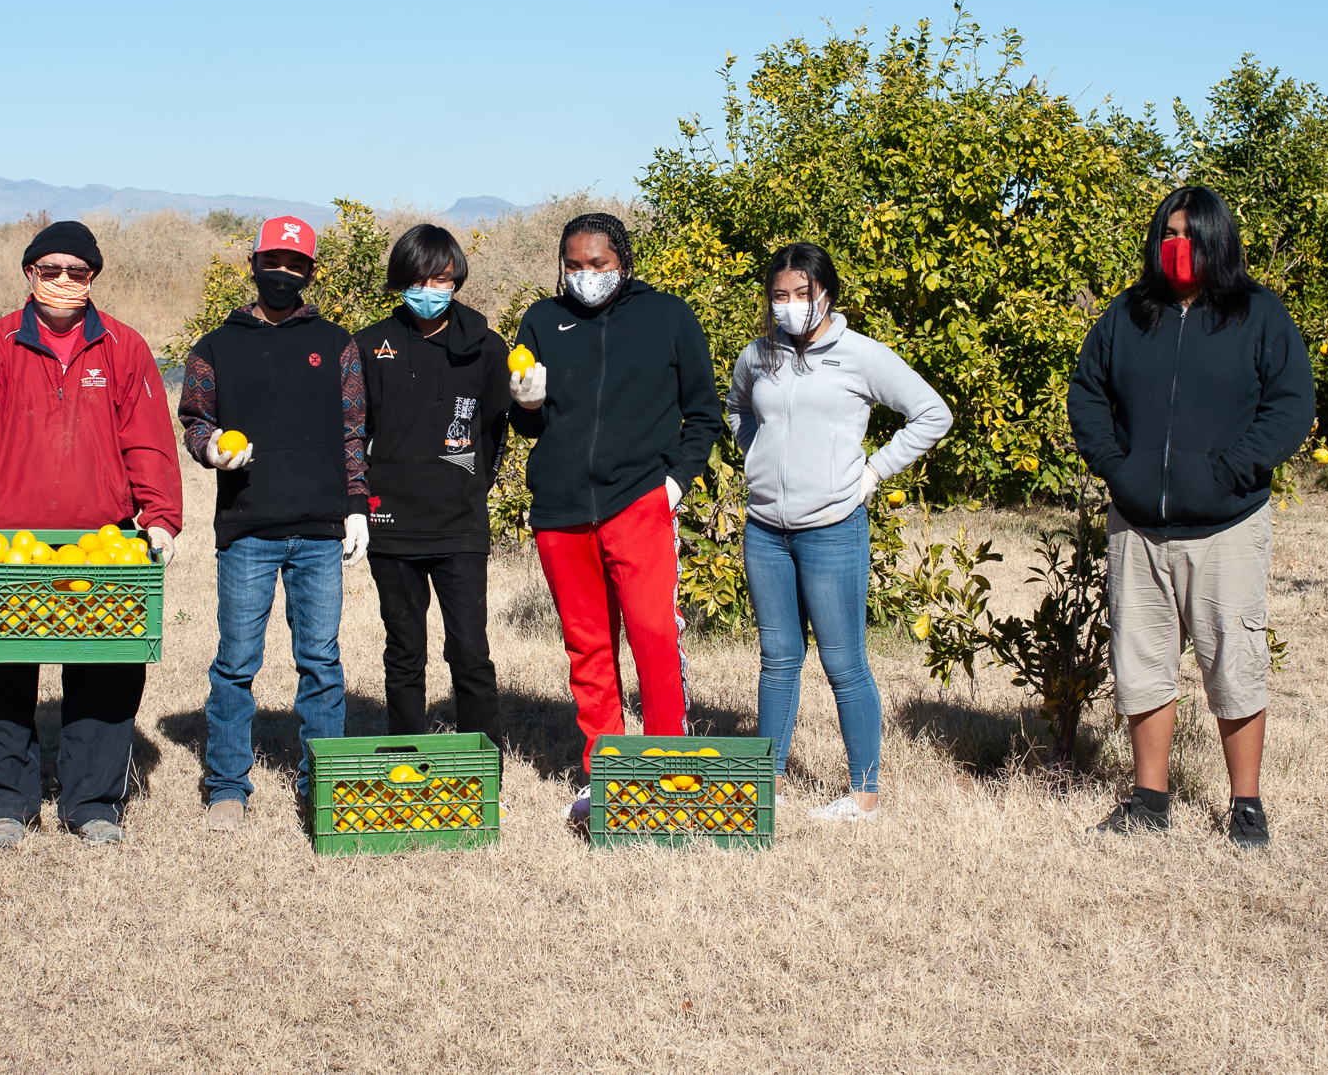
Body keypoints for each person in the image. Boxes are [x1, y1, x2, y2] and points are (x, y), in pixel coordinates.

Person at [1066, 185, 1314, 848]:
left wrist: (1231, 469)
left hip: (1227, 526)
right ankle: (1150, 799)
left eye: (1192, 235)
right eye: (1169, 234)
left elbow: (1290, 406)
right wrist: (1119, 468)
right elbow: (1088, 393)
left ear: (1218, 240)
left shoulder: (1258, 314)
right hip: (1138, 525)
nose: (1180, 246)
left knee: (1234, 662)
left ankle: (1247, 806)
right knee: (1142, 663)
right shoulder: (1128, 314)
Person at [0, 220, 184, 849]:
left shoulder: (123, 348)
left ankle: (93, 802)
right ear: (30, 275)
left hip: (104, 544)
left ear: (93, 278)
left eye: (77, 273)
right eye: (51, 271)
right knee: (5, 669)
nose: (63, 283)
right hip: (14, 542)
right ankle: (7, 801)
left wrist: (158, 518)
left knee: (107, 670)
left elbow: (150, 438)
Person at [507, 212, 722, 824]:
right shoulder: (543, 321)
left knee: (654, 633)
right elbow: (530, 421)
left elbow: (703, 412)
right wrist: (523, 402)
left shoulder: (668, 316)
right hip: (560, 509)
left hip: (638, 502)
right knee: (588, 645)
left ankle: (669, 767)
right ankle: (605, 773)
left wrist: (676, 482)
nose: (585, 276)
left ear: (623, 262)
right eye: (573, 266)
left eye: (597, 264)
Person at [727, 243, 952, 822]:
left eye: (801, 294)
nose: (790, 305)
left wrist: (874, 470)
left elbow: (932, 414)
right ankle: (766, 782)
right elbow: (738, 411)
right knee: (777, 659)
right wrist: (757, 455)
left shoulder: (861, 356)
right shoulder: (757, 356)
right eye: (779, 295)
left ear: (825, 292)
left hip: (832, 529)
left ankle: (864, 793)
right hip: (764, 530)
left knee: (844, 663)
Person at [177, 215, 371, 833]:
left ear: (309, 273)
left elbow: (353, 432)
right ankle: (228, 787)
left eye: (295, 265)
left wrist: (356, 508)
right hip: (248, 529)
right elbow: (195, 420)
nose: (282, 274)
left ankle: (324, 786)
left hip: (319, 531)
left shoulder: (337, 344)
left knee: (321, 662)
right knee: (236, 662)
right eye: (273, 262)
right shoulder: (215, 347)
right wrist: (211, 449)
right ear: (255, 265)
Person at [355, 224, 511, 748]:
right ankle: (406, 760)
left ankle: (482, 768)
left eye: (442, 279)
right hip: (391, 524)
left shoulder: (487, 347)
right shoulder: (369, 345)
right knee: (404, 652)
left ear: (457, 281)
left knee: (470, 651)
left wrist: (467, 486)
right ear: (401, 280)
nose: (430, 290)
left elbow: (495, 430)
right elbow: (354, 430)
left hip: (459, 525)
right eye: (419, 278)